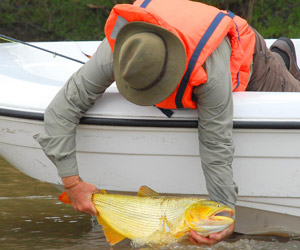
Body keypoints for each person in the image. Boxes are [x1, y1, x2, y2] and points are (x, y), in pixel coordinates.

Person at [34, 0, 300, 246]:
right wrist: (72, 184)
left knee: (291, 96)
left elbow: (215, 144)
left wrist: (225, 213)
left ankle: (282, 55)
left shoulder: (211, 74)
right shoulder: (124, 50)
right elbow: (59, 112)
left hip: (248, 59)